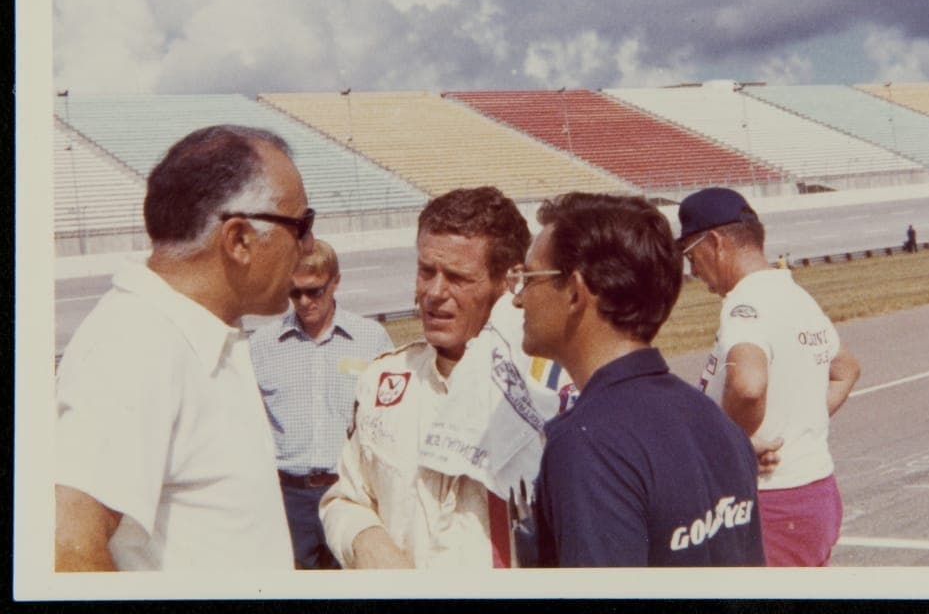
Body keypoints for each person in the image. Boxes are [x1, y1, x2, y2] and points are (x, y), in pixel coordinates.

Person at [54, 125, 315, 571]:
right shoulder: (135, 345)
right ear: (239, 240)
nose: (309, 247)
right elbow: (66, 549)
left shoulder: (197, 332)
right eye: (302, 226)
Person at [320, 186, 571, 569]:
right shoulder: (384, 380)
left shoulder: (551, 389)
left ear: (509, 282)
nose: (434, 293)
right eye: (426, 271)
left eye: (457, 277)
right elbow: (345, 499)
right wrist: (364, 539)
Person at [515, 192, 766, 567]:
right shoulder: (713, 420)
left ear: (574, 292)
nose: (518, 298)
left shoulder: (588, 444)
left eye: (529, 277)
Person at [678, 187, 861, 567]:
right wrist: (801, 423)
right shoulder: (793, 293)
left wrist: (733, 448)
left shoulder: (745, 304)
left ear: (715, 243)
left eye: (691, 256)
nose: (692, 270)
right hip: (815, 489)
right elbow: (845, 371)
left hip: (772, 502)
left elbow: (747, 386)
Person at [250, 238, 395, 569]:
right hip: (287, 498)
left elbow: (390, 419)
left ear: (335, 282)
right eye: (294, 293)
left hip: (349, 493)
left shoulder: (371, 339)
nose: (304, 302)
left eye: (315, 291)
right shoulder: (261, 347)